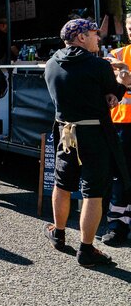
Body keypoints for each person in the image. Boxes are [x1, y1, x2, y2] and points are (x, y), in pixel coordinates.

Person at [43, 18, 131, 267]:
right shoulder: (97, 65)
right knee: (93, 192)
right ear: (81, 37)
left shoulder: (51, 64)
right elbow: (111, 99)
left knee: (62, 184)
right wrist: (122, 84)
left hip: (65, 133)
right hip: (94, 134)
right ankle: (87, 249)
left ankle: (58, 233)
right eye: (94, 33)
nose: (98, 37)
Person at [104, 14, 131, 246]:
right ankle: (117, 225)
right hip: (121, 124)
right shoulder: (117, 55)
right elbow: (106, 85)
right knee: (120, 176)